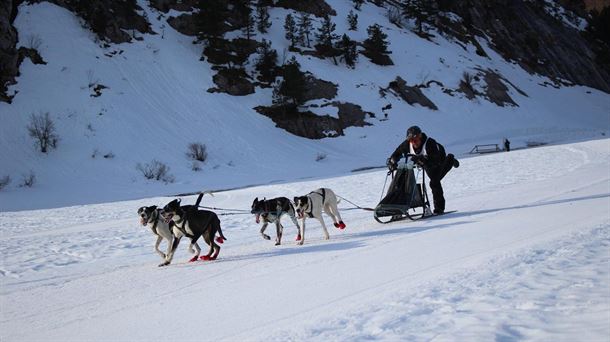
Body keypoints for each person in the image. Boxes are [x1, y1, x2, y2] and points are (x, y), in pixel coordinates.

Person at [386, 125, 459, 214]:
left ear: (420, 137)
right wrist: (392, 161)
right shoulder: (407, 144)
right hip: (423, 161)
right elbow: (397, 153)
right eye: (412, 141)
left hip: (439, 159)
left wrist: (421, 160)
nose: (414, 143)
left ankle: (450, 160)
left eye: (416, 140)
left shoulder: (429, 143)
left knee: (434, 181)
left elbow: (434, 161)